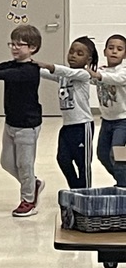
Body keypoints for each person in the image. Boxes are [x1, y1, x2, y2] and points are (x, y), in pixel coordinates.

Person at [0, 25, 44, 217]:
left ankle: (28, 200)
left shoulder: (31, 70)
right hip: (11, 123)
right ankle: (34, 184)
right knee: (7, 162)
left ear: (32, 47)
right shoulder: (12, 64)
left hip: (28, 126)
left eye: (20, 44)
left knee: (25, 165)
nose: (14, 48)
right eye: (12, 44)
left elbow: (10, 75)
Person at [38, 37, 98, 189]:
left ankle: (85, 195)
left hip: (82, 126)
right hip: (67, 126)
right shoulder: (63, 76)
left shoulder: (84, 75)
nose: (73, 55)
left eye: (79, 53)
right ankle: (75, 189)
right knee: (62, 159)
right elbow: (45, 73)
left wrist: (49, 65)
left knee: (83, 164)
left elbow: (61, 70)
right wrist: (28, 65)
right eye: (71, 51)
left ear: (88, 59)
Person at [87, 33, 126, 187]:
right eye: (111, 48)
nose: (114, 51)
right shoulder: (102, 70)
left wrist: (97, 75)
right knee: (103, 155)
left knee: (118, 155)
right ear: (104, 51)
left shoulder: (122, 71)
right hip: (106, 121)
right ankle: (122, 180)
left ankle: (123, 186)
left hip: (123, 121)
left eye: (119, 49)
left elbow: (116, 79)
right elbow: (89, 78)